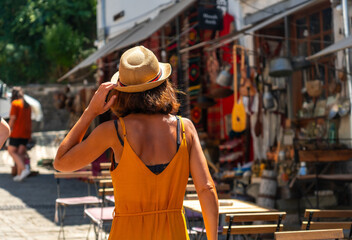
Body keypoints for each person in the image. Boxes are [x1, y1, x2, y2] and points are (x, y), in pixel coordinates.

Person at [54, 46, 219, 240]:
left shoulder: (113, 131)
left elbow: (61, 163)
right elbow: (206, 188)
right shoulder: (185, 128)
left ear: (121, 91)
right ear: (163, 84)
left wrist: (90, 111)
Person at [8, 87, 32, 181]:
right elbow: (30, 121)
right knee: (20, 153)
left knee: (11, 151)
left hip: (17, 132)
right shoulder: (27, 105)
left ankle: (24, 169)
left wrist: (8, 130)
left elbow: (12, 119)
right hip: (26, 133)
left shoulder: (15, 103)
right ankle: (19, 175)